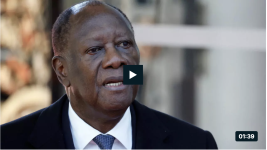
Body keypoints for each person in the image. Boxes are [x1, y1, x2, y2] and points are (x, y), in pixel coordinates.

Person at [1, 0, 218, 149]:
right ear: (62, 70)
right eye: (95, 49)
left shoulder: (195, 143)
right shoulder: (8, 142)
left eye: (125, 44)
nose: (116, 60)